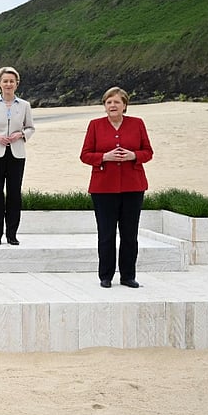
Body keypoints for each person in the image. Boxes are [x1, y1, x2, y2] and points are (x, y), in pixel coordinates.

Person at [80, 87, 153, 288]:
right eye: (109, 102)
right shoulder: (95, 125)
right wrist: (105, 157)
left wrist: (133, 155)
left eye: (117, 102)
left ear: (124, 105)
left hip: (133, 186)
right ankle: (106, 276)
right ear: (104, 106)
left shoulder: (137, 124)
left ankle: (128, 276)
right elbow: (85, 155)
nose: (113, 105)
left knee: (130, 234)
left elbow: (148, 152)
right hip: (103, 188)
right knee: (106, 234)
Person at [0, 66, 35, 245]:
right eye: (5, 81)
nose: (8, 84)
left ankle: (12, 234)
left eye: (12, 81)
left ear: (17, 84)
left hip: (17, 154)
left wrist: (21, 135)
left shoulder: (24, 105)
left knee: (14, 194)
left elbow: (30, 127)